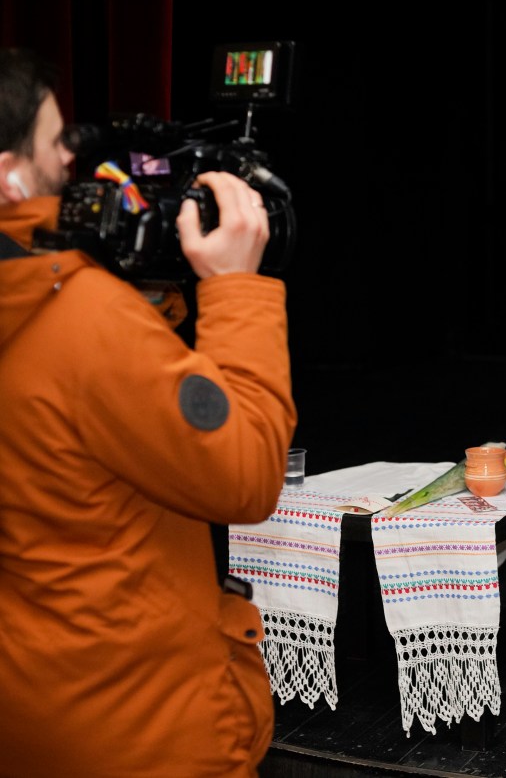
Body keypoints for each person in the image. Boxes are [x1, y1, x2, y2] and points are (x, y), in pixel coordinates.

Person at [0, 47, 297, 777]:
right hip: (141, 730)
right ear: (8, 176)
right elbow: (247, 475)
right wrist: (235, 289)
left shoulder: (50, 303)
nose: (68, 164)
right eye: (54, 149)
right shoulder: (81, 319)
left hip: (30, 711)